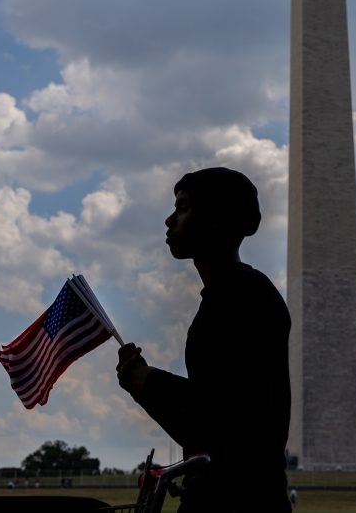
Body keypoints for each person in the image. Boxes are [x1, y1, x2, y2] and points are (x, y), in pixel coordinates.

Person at [117, 167, 292, 512]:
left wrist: (144, 381)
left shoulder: (241, 298)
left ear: (216, 218)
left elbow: (224, 420)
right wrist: (142, 383)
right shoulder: (234, 293)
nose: (170, 220)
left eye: (183, 208)